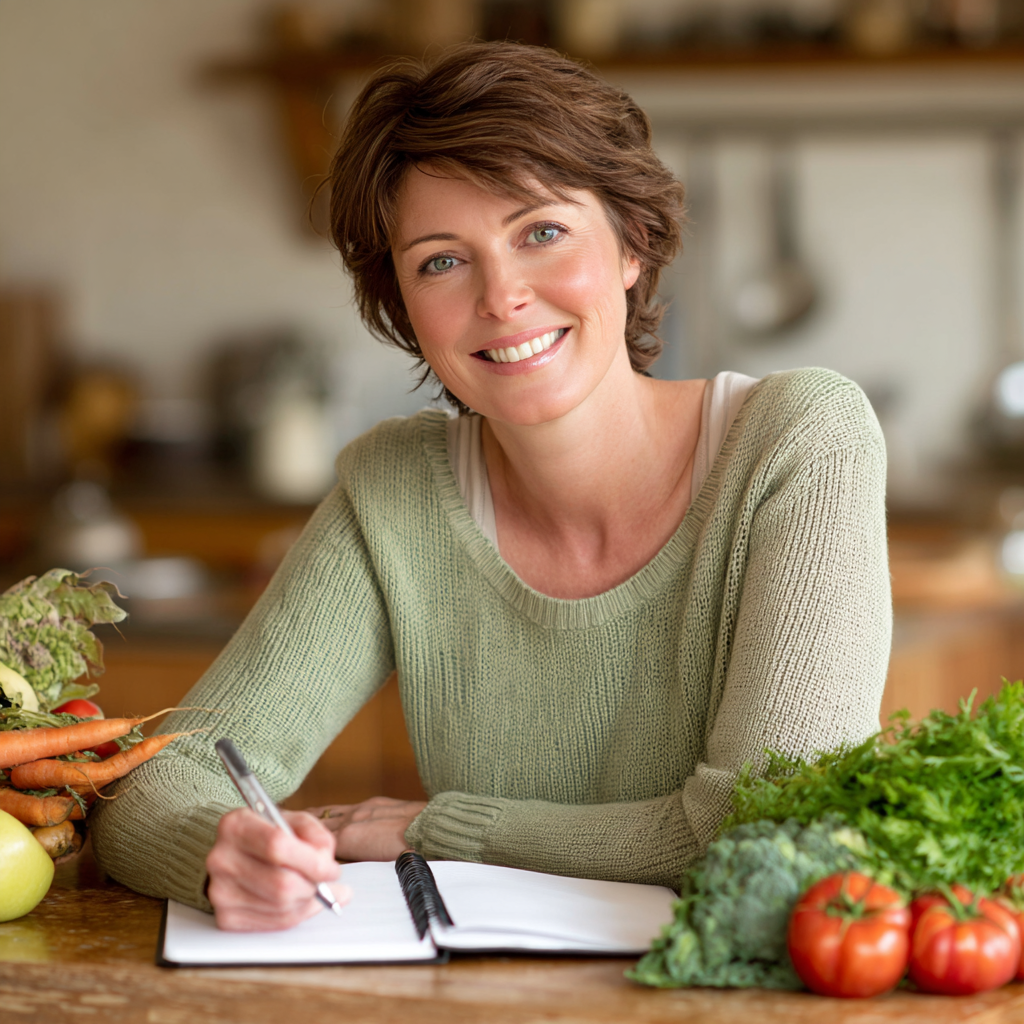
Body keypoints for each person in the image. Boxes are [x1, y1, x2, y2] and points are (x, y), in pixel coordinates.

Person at [91, 41, 891, 933]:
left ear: (633, 243)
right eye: (441, 260)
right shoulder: (398, 490)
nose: (502, 297)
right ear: (400, 305)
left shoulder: (798, 441)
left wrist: (435, 830)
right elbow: (159, 780)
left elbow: (766, 834)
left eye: (541, 232)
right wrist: (218, 852)